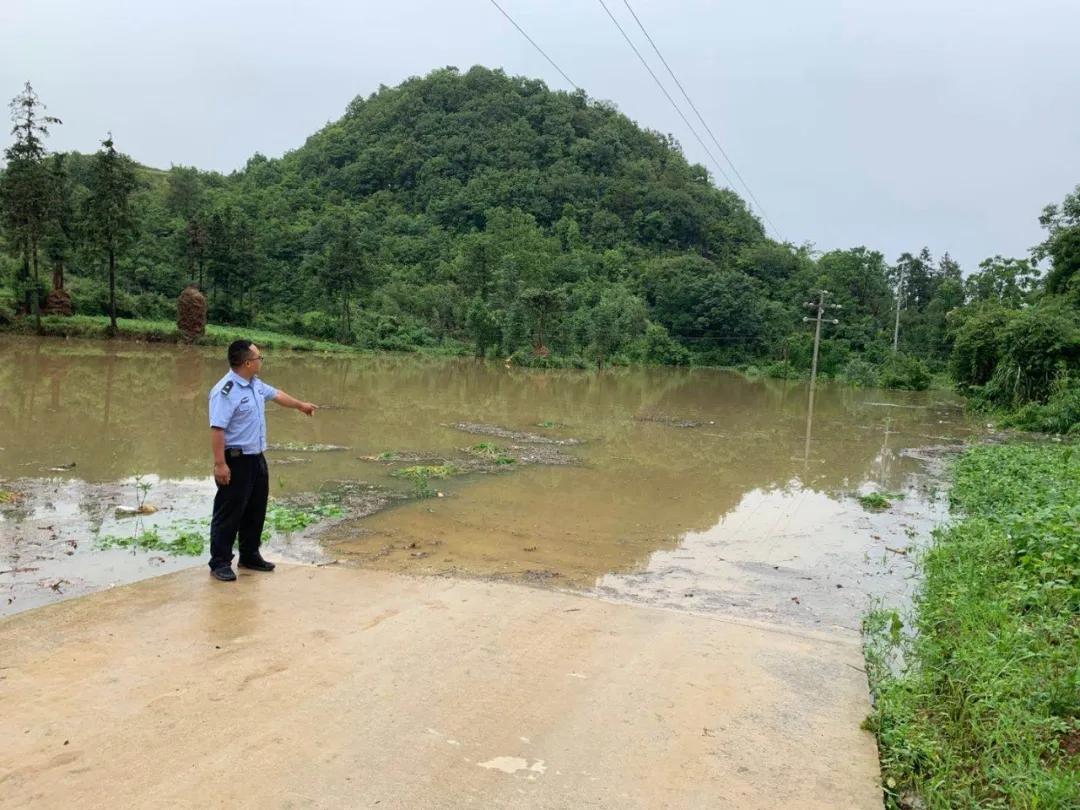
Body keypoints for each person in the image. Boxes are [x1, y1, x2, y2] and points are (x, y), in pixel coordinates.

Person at [207, 340, 316, 581]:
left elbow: (277, 395)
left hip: (256, 457)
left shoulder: (254, 384)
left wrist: (300, 406)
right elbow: (217, 429)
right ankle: (220, 562)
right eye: (259, 358)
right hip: (235, 460)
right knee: (229, 512)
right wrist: (220, 464)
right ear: (247, 363)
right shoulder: (225, 391)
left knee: (256, 509)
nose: (261, 361)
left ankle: (249, 555)